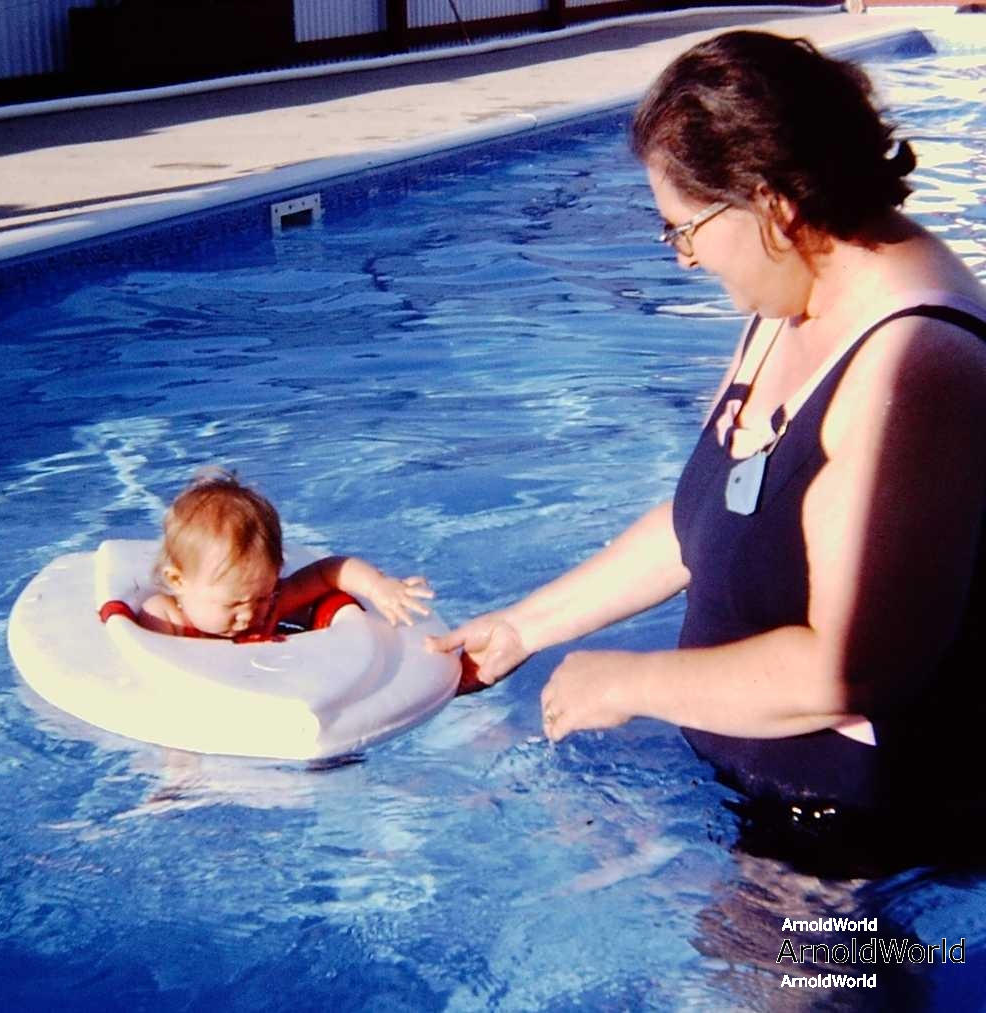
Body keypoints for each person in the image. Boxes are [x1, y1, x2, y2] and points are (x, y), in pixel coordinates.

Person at [430, 31, 986, 867]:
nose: (684, 259)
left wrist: (629, 682)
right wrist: (520, 627)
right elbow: (711, 515)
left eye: (683, 230)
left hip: (848, 847)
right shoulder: (794, 296)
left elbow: (848, 671)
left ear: (769, 205)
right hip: (753, 796)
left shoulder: (916, 365)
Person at [138, 468, 433, 640]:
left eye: (261, 597)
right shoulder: (164, 619)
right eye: (234, 603)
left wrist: (377, 586)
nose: (249, 614)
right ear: (178, 581)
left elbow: (329, 571)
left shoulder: (271, 608)